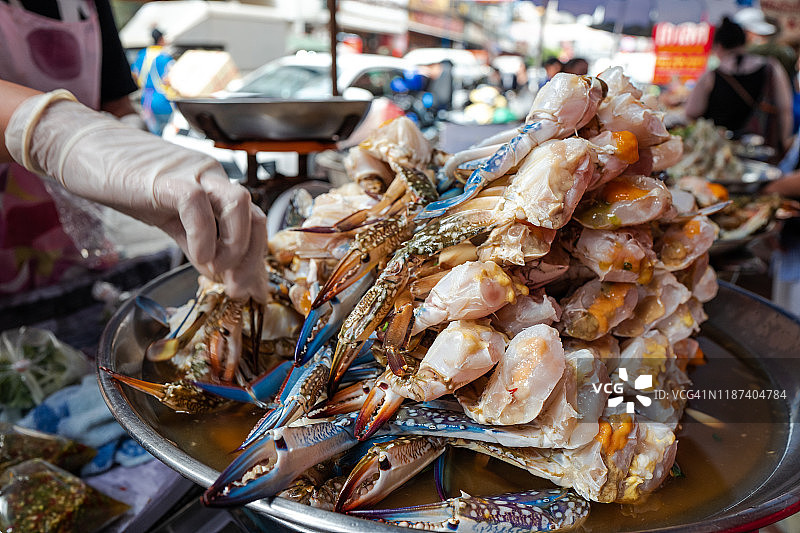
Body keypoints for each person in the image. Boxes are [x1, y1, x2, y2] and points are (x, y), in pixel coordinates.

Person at [1, 80, 268, 302]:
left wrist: (131, 134)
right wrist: (53, 132)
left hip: (82, 255)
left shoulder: (91, 12)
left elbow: (116, 102)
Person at [684, 16, 794, 164]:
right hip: (762, 154)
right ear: (744, 42)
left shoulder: (712, 75)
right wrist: (782, 144)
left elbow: (691, 112)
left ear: (719, 46)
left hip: (720, 158)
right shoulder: (771, 67)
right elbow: (785, 110)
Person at [131, 27, 176, 135]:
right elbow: (170, 78)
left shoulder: (142, 55)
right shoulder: (165, 57)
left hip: (146, 100)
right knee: (163, 134)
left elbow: (134, 74)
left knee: (151, 134)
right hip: (163, 101)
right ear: (161, 39)